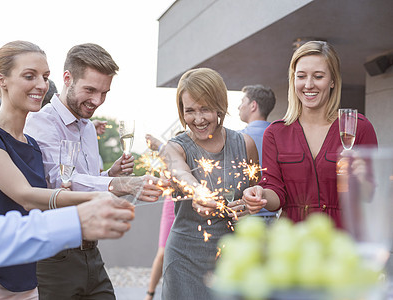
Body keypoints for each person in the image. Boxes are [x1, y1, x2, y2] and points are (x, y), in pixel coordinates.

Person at [0, 1, 134, 299]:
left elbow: (50, 193)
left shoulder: (30, 143)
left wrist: (108, 184)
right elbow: (25, 196)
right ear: (1, 81)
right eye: (30, 76)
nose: (43, 85)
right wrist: (101, 196)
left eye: (44, 77)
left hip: (27, 276)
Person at [24, 43, 168, 299]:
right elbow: (60, 182)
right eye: (90, 90)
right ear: (67, 78)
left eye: (104, 93)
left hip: (92, 253)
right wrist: (122, 185)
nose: (97, 101)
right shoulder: (40, 122)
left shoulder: (88, 128)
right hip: (55, 256)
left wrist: (110, 177)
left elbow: (85, 183)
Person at [243, 41, 378, 228]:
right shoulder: (275, 133)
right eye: (301, 76)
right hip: (294, 242)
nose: (308, 85)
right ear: (294, 80)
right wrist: (261, 194)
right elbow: (275, 194)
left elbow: (369, 195)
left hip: (344, 241)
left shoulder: (358, 127)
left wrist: (361, 179)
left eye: (318, 76)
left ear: (332, 81)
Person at [160, 68, 259, 299]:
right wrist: (197, 190)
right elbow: (178, 171)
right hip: (184, 260)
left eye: (205, 109)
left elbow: (255, 193)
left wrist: (248, 206)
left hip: (233, 259)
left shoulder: (245, 144)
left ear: (219, 106)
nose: (198, 119)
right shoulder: (175, 147)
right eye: (190, 111)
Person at [238, 84, 278, 224]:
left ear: (253, 105)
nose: (239, 107)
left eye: (243, 101)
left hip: (247, 218)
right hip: (275, 216)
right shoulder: (280, 136)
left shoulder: (239, 138)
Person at [144, 134, 175, 300]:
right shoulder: (169, 159)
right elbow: (163, 182)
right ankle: (149, 294)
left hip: (191, 204)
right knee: (162, 252)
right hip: (171, 204)